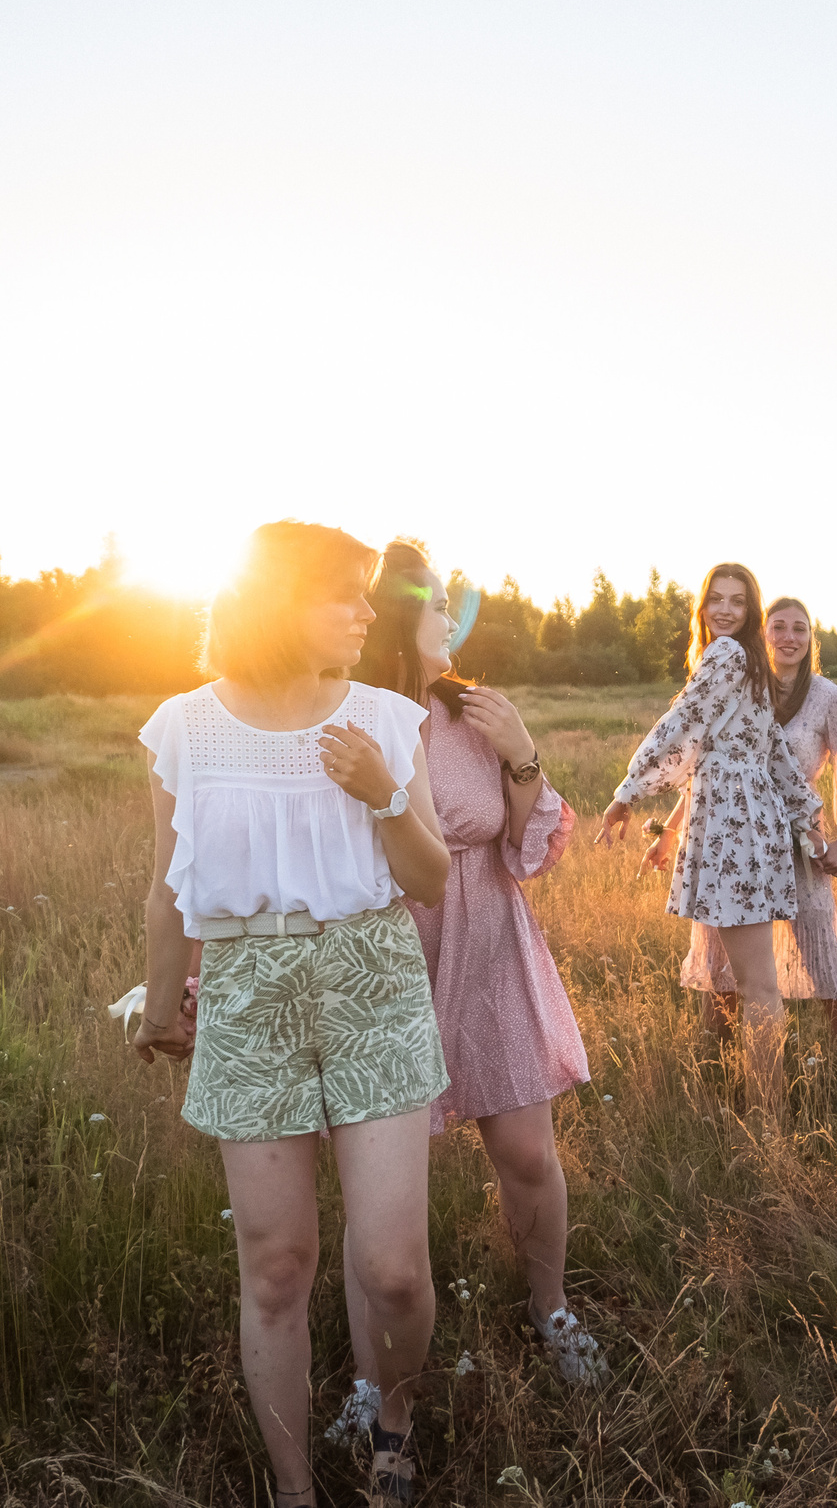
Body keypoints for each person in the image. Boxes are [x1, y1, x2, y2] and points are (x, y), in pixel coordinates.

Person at [130, 520, 451, 1506]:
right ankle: (295, 1490)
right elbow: (165, 888)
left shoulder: (388, 721)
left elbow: (433, 878)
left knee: (391, 1268)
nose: (365, 614)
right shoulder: (184, 728)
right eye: (342, 595)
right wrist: (159, 1000)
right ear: (276, 602)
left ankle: (391, 1424)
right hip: (247, 991)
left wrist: (382, 793)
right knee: (276, 1266)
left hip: (373, 984)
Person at [338, 538, 603, 1398]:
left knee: (527, 1152)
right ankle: (375, 1379)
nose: (451, 618)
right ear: (399, 617)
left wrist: (521, 747)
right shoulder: (357, 717)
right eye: (438, 603)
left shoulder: (474, 712)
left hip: (489, 942)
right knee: (382, 1199)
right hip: (394, 960)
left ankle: (551, 1307)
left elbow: (529, 847)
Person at [595, 562, 824, 1126]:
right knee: (753, 982)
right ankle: (761, 1108)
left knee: (757, 986)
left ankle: (768, 1119)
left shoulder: (726, 657)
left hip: (732, 825)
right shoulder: (750, 665)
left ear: (750, 611)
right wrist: (804, 813)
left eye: (737, 601)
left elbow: (680, 723)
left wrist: (627, 791)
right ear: (702, 606)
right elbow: (772, 747)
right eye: (715, 599)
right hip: (747, 823)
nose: (724, 609)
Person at [656, 596, 837, 1078]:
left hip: (799, 846)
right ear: (763, 631)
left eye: (800, 629)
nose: (789, 638)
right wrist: (670, 831)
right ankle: (719, 1083)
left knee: (824, 965)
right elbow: (709, 768)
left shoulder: (828, 698)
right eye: (778, 627)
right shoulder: (738, 687)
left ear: (810, 638)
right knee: (721, 971)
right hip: (733, 844)